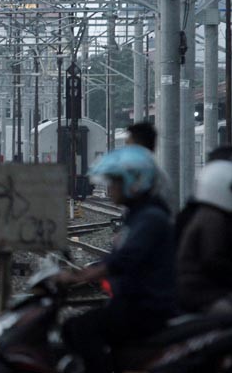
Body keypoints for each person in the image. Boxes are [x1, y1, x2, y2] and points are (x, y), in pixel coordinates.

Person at [56, 145, 176, 373]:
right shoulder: (139, 215)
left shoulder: (150, 218)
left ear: (134, 182)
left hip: (147, 307)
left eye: (115, 182)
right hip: (134, 303)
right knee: (76, 327)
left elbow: (125, 259)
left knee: (81, 329)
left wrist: (79, 276)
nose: (109, 188)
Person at [176, 144, 232, 313]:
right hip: (202, 293)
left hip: (202, 290)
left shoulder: (206, 214)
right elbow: (214, 260)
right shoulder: (213, 219)